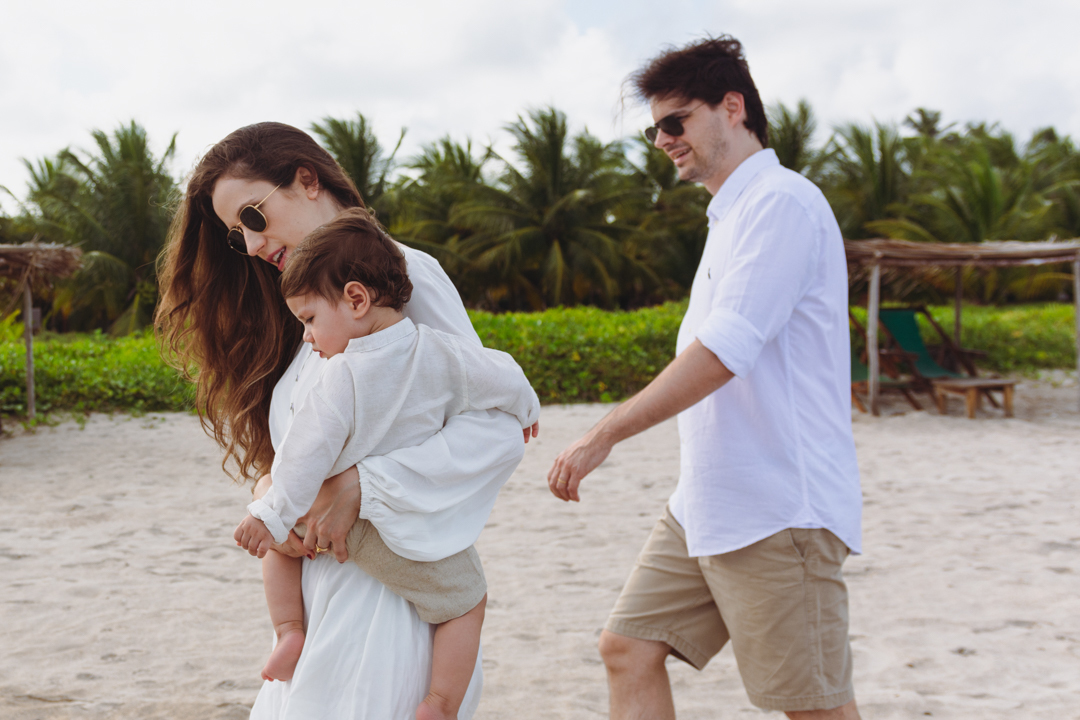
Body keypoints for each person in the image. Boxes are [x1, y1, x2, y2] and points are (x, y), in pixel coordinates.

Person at [157, 122, 535, 720]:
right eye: (237, 236)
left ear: (307, 180)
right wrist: (270, 486)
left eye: (253, 218)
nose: (251, 246)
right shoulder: (317, 316)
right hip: (321, 605)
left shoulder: (405, 276)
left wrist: (363, 486)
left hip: (388, 606)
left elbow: (494, 429)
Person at [546, 36, 863, 720]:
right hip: (708, 506)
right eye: (655, 126)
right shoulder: (733, 216)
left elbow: (724, 352)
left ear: (732, 106)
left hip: (779, 509)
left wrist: (605, 435)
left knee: (813, 706)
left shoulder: (781, 203)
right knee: (627, 647)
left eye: (674, 120)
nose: (662, 139)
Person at [234, 208, 541, 720]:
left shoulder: (340, 376)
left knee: (279, 551)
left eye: (309, 321)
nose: (308, 339)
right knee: (465, 602)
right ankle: (441, 703)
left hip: (340, 530)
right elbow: (505, 375)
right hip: (398, 526)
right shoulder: (443, 354)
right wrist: (526, 410)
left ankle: (289, 630)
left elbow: (302, 455)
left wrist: (270, 511)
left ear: (355, 299)